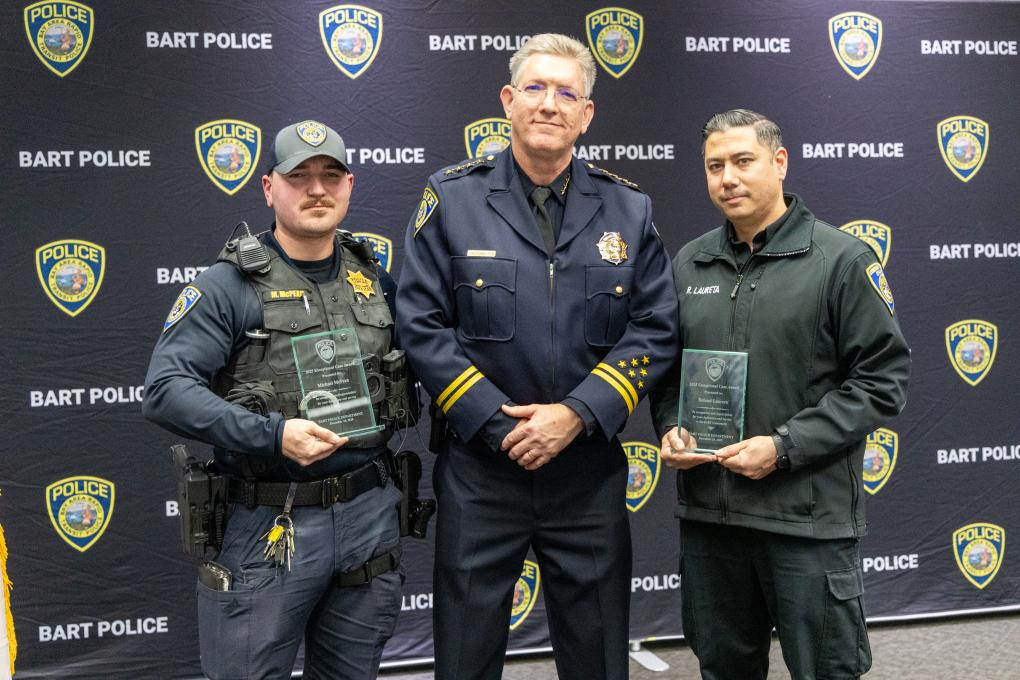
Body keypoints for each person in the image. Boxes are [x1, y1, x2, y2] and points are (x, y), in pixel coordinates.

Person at [396, 33, 678, 680]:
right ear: (508, 101)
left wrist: (577, 414)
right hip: (480, 471)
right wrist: (502, 424)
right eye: (535, 88)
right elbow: (420, 326)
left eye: (566, 92)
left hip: (587, 472)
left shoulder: (628, 210)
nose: (549, 104)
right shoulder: (453, 199)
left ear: (586, 114)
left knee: (599, 656)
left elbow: (656, 327)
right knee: (465, 656)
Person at [144, 120, 414, 680]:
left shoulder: (374, 279)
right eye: (300, 176)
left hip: (367, 511)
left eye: (330, 176)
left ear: (349, 186)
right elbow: (166, 391)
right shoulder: (227, 286)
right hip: (269, 520)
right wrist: (273, 435)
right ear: (270, 188)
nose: (317, 189)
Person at [650, 109, 911, 680]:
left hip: (805, 521)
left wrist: (785, 444)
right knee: (723, 668)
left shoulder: (840, 260)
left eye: (743, 161)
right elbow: (665, 373)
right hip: (711, 517)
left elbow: (882, 380)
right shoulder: (689, 262)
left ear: (779, 162)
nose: (728, 178)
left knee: (825, 670)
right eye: (715, 166)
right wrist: (670, 425)